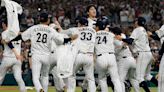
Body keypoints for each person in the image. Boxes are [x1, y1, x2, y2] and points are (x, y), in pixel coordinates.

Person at [8, 12, 78, 92]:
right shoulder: (50, 30)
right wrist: (70, 39)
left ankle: (39, 89)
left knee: (36, 77)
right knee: (45, 76)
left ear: (39, 19)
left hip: (36, 55)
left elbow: (21, 36)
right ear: (47, 20)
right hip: (47, 56)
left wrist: (12, 40)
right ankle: (44, 90)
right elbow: (61, 40)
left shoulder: (33, 28)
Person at [116, 17, 158, 92]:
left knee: (139, 78)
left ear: (137, 22)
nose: (135, 22)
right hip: (148, 54)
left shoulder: (137, 29)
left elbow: (130, 41)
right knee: (147, 75)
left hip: (142, 54)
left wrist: (121, 39)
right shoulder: (144, 30)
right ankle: (161, 86)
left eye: (136, 21)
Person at [95, 20, 122, 92]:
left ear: (97, 27)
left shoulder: (94, 34)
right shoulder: (110, 34)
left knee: (102, 79)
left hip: (100, 57)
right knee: (116, 79)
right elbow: (119, 45)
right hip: (111, 56)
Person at [0, 18, 26, 92]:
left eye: (3, 24)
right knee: (18, 78)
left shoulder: (5, 33)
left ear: (4, 24)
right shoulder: (18, 33)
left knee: (0, 77)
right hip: (17, 59)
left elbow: (7, 43)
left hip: (8, 58)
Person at [113, 27, 140, 92]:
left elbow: (119, 47)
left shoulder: (115, 39)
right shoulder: (123, 35)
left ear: (115, 33)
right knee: (133, 79)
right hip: (131, 59)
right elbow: (124, 44)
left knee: (120, 80)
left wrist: (121, 46)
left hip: (123, 60)